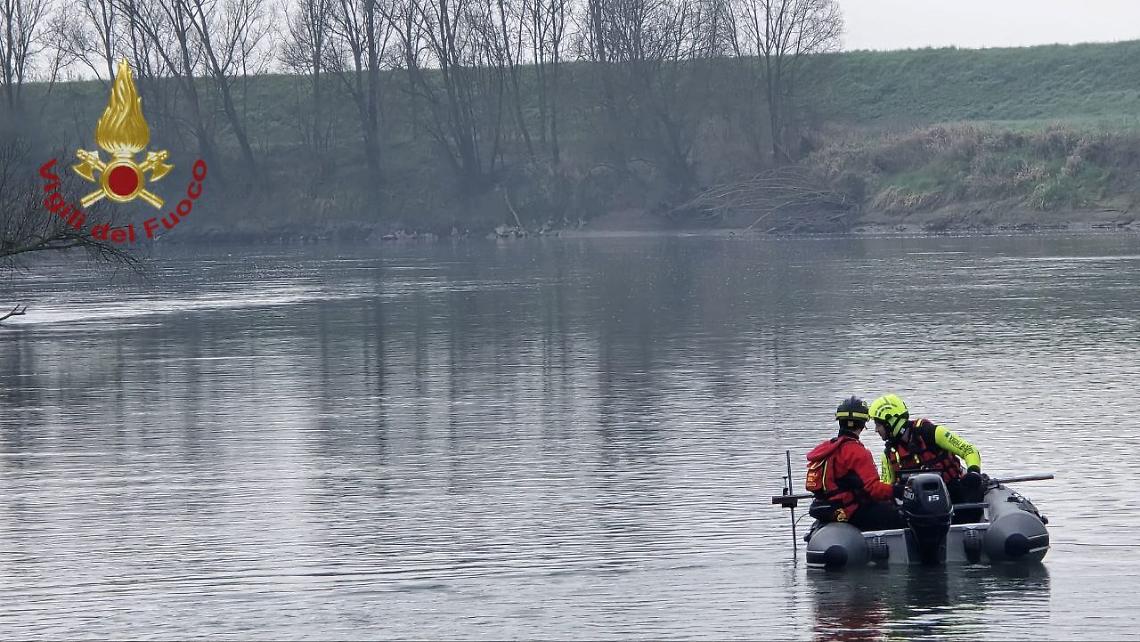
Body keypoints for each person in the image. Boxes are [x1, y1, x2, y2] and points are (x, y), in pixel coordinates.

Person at [867, 394, 986, 522]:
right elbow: (887, 486)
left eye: (878, 425)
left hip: (954, 494)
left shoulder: (931, 432)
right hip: (919, 509)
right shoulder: (888, 454)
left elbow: (969, 450)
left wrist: (973, 472)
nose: (876, 430)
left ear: (890, 421)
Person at [805, 396, 905, 531]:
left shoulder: (827, 448)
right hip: (849, 510)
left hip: (827, 508)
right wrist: (900, 490)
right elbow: (874, 490)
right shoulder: (857, 452)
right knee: (899, 516)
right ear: (863, 424)